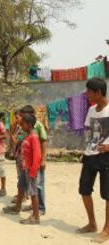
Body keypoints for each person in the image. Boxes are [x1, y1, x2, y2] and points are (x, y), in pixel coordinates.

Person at [77, 78, 109, 243]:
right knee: (84, 189)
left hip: (106, 158)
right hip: (90, 155)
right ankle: (92, 223)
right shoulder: (91, 110)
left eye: (89, 92)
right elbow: (88, 131)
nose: (86, 94)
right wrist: (87, 146)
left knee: (108, 194)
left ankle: (107, 229)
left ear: (98, 92)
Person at [2, 114, 41, 225]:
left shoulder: (34, 137)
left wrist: (33, 170)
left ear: (28, 125)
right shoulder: (27, 136)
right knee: (21, 187)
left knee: (33, 192)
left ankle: (36, 216)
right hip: (25, 168)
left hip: (30, 169)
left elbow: (37, 156)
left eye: (23, 123)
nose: (21, 125)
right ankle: (17, 207)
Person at [20, 105, 48, 215]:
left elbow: (44, 142)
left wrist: (43, 160)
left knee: (39, 184)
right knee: (32, 185)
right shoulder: (26, 127)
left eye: (24, 115)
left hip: (36, 160)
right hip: (28, 161)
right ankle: (34, 205)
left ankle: (40, 208)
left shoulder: (38, 126)